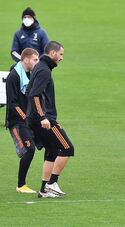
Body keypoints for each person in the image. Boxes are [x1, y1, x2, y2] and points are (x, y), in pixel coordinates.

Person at [26, 41, 74, 198]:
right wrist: (43, 117)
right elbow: (34, 94)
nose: (61, 58)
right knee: (67, 148)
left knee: (52, 151)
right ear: (52, 53)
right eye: (60, 54)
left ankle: (43, 190)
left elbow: (28, 91)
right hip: (44, 120)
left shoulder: (40, 67)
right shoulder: (44, 70)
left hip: (35, 119)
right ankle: (52, 183)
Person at [5, 48, 39, 193]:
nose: (37, 63)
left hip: (29, 119)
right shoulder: (14, 76)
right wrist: (26, 117)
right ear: (25, 59)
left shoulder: (30, 74)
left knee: (48, 145)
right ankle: (21, 185)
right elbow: (12, 103)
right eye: (35, 59)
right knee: (29, 150)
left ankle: (49, 184)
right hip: (17, 121)